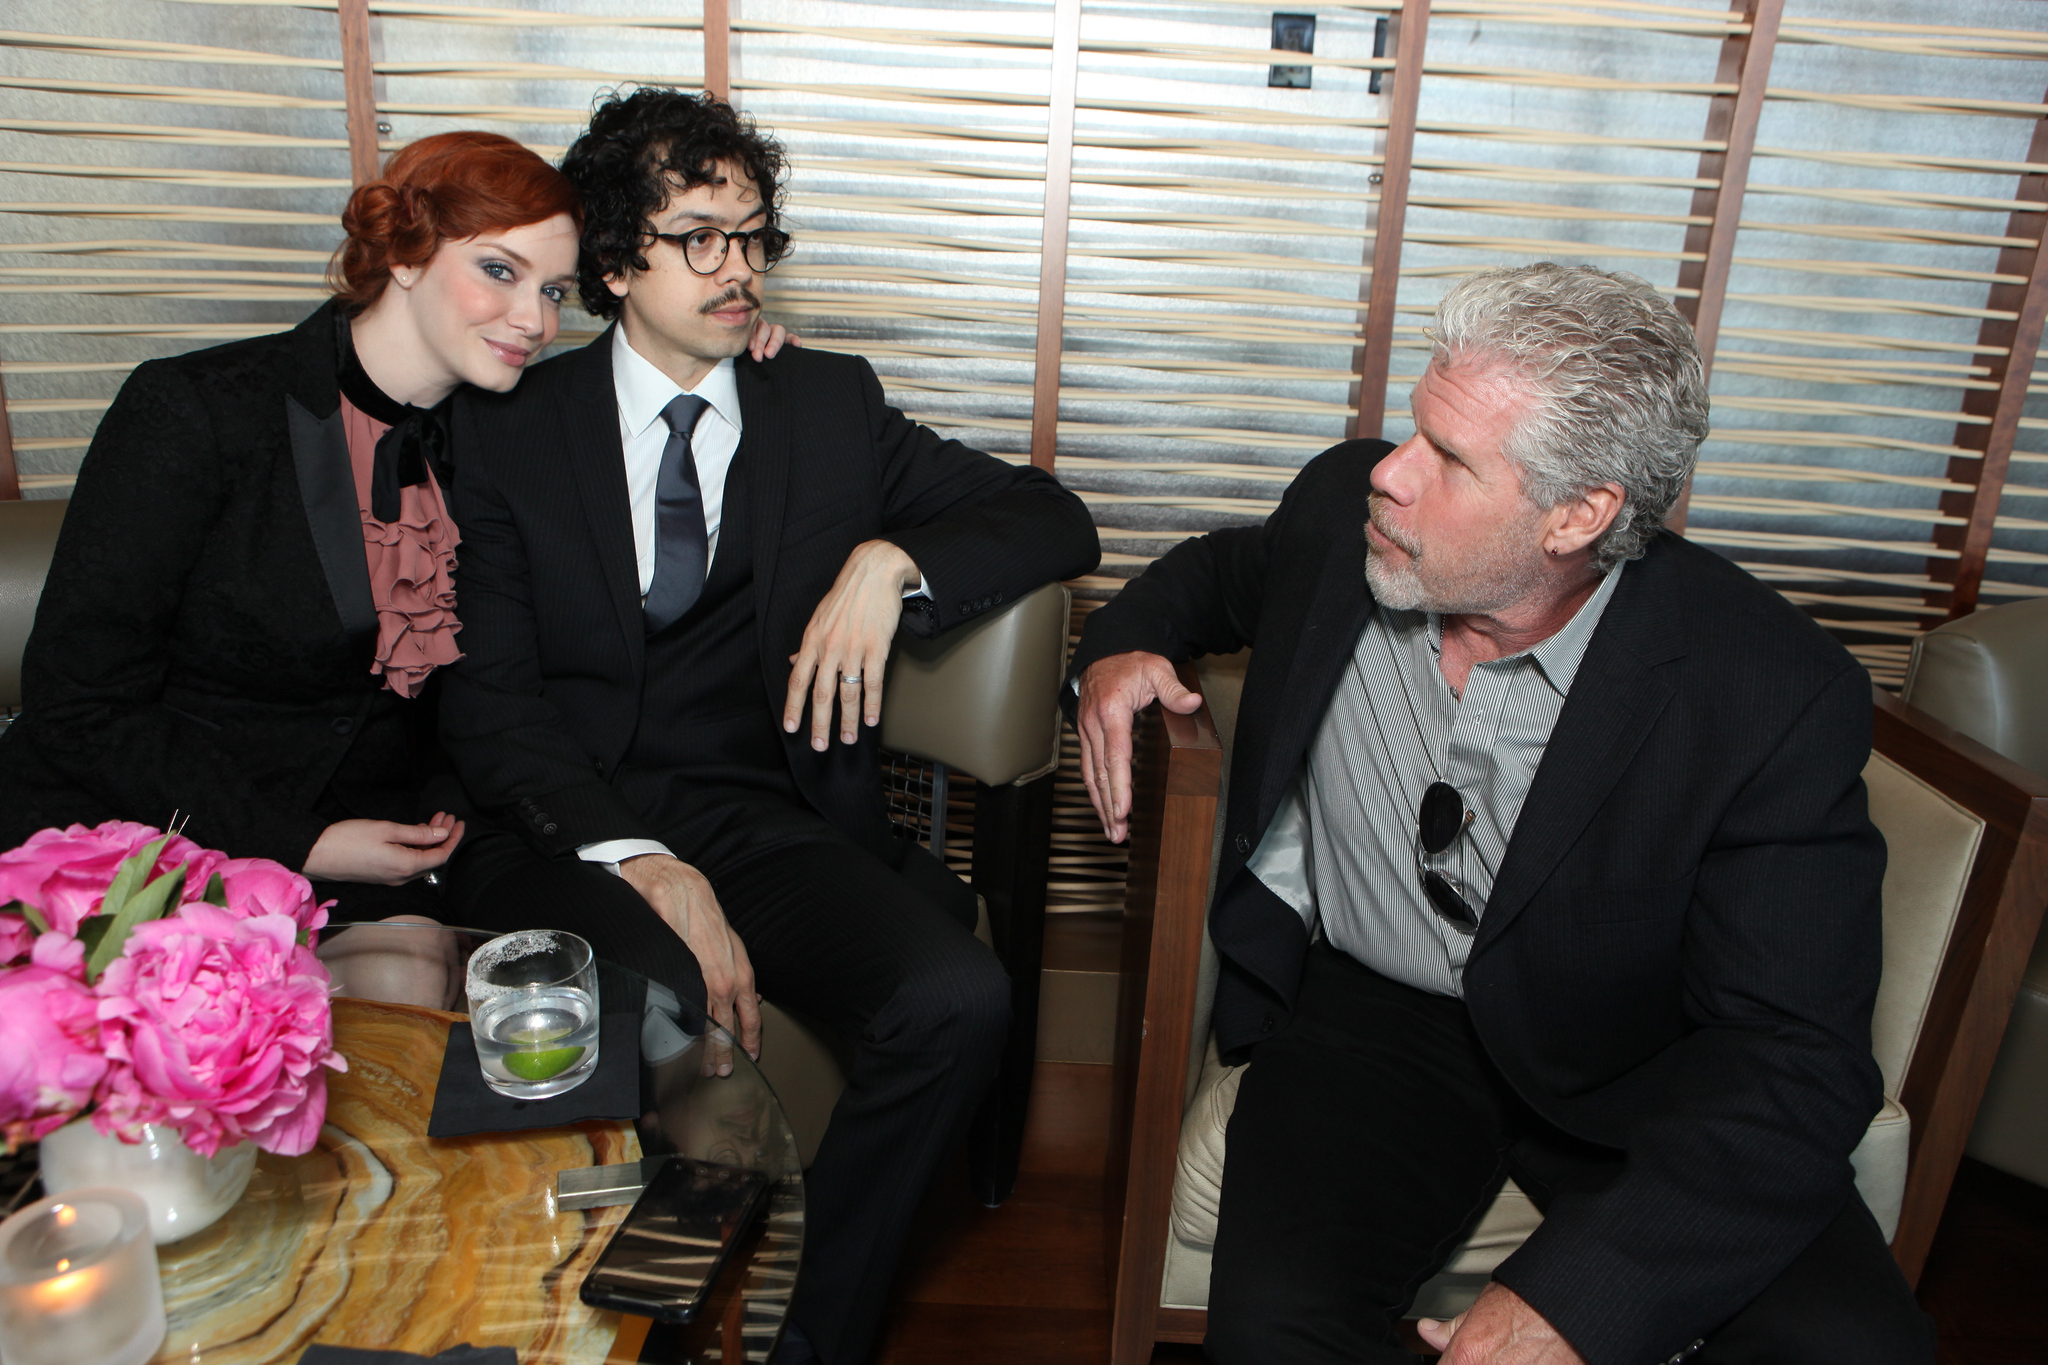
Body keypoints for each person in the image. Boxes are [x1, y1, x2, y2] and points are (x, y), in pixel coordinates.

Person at [1071, 264, 1934, 1365]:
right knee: (1273, 1328)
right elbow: (1212, 574)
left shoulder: (1765, 687)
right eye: (1409, 432)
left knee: (1853, 1350)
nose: (1386, 474)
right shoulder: (1347, 523)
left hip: (1636, 1057)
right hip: (1373, 1023)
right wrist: (1116, 654)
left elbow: (1793, 1054)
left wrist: (1583, 1300)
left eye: (1448, 460)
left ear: (1576, 515)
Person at [433, 89, 1099, 1365]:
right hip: (570, 825)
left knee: (958, 996)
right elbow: (493, 703)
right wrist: (635, 857)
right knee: (674, 1001)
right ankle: (654, 1336)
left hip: (761, 818)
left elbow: (1048, 517)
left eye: (752, 235)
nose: (736, 268)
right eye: (698, 238)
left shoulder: (826, 406)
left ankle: (808, 1337)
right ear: (618, 263)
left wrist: (888, 562)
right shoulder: (508, 426)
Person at [0, 130, 792, 914]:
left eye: (551, 291)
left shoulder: (504, 439)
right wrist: (300, 838)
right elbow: (78, 701)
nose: (533, 320)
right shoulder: (199, 409)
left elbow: (494, 686)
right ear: (405, 255)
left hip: (377, 862)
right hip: (136, 846)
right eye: (498, 271)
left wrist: (725, 347)